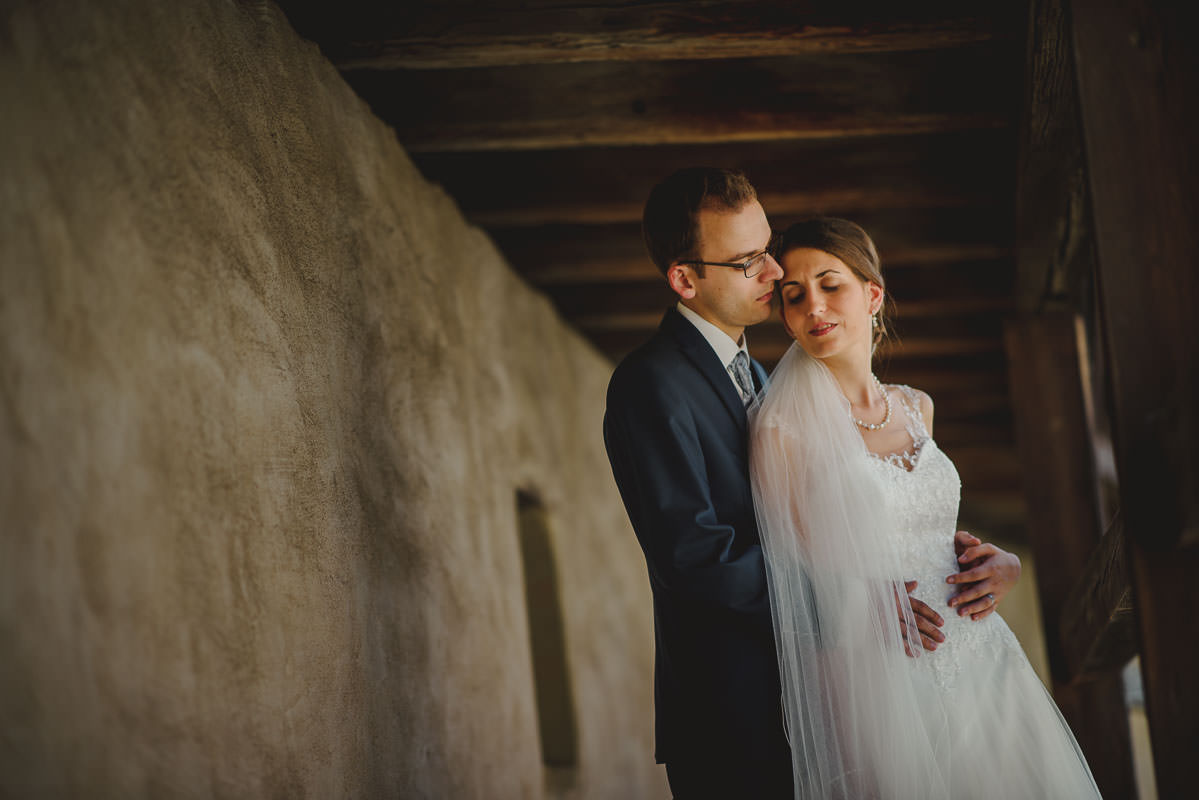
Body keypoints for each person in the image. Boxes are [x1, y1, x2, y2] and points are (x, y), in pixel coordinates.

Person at [602, 168, 1023, 799]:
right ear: (685, 280)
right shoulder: (651, 384)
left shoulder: (765, 380)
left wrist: (952, 553)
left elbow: (819, 522)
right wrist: (853, 601)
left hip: (826, 689)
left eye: (766, 248)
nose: (774, 273)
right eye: (750, 262)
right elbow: (696, 559)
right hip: (733, 708)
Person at [749, 216, 1101, 798]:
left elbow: (920, 525)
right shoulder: (781, 430)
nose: (813, 305)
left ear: (873, 294)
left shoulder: (917, 407)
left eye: (830, 283)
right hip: (882, 673)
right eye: (794, 294)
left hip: (981, 653)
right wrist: (867, 604)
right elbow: (791, 575)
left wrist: (1000, 563)